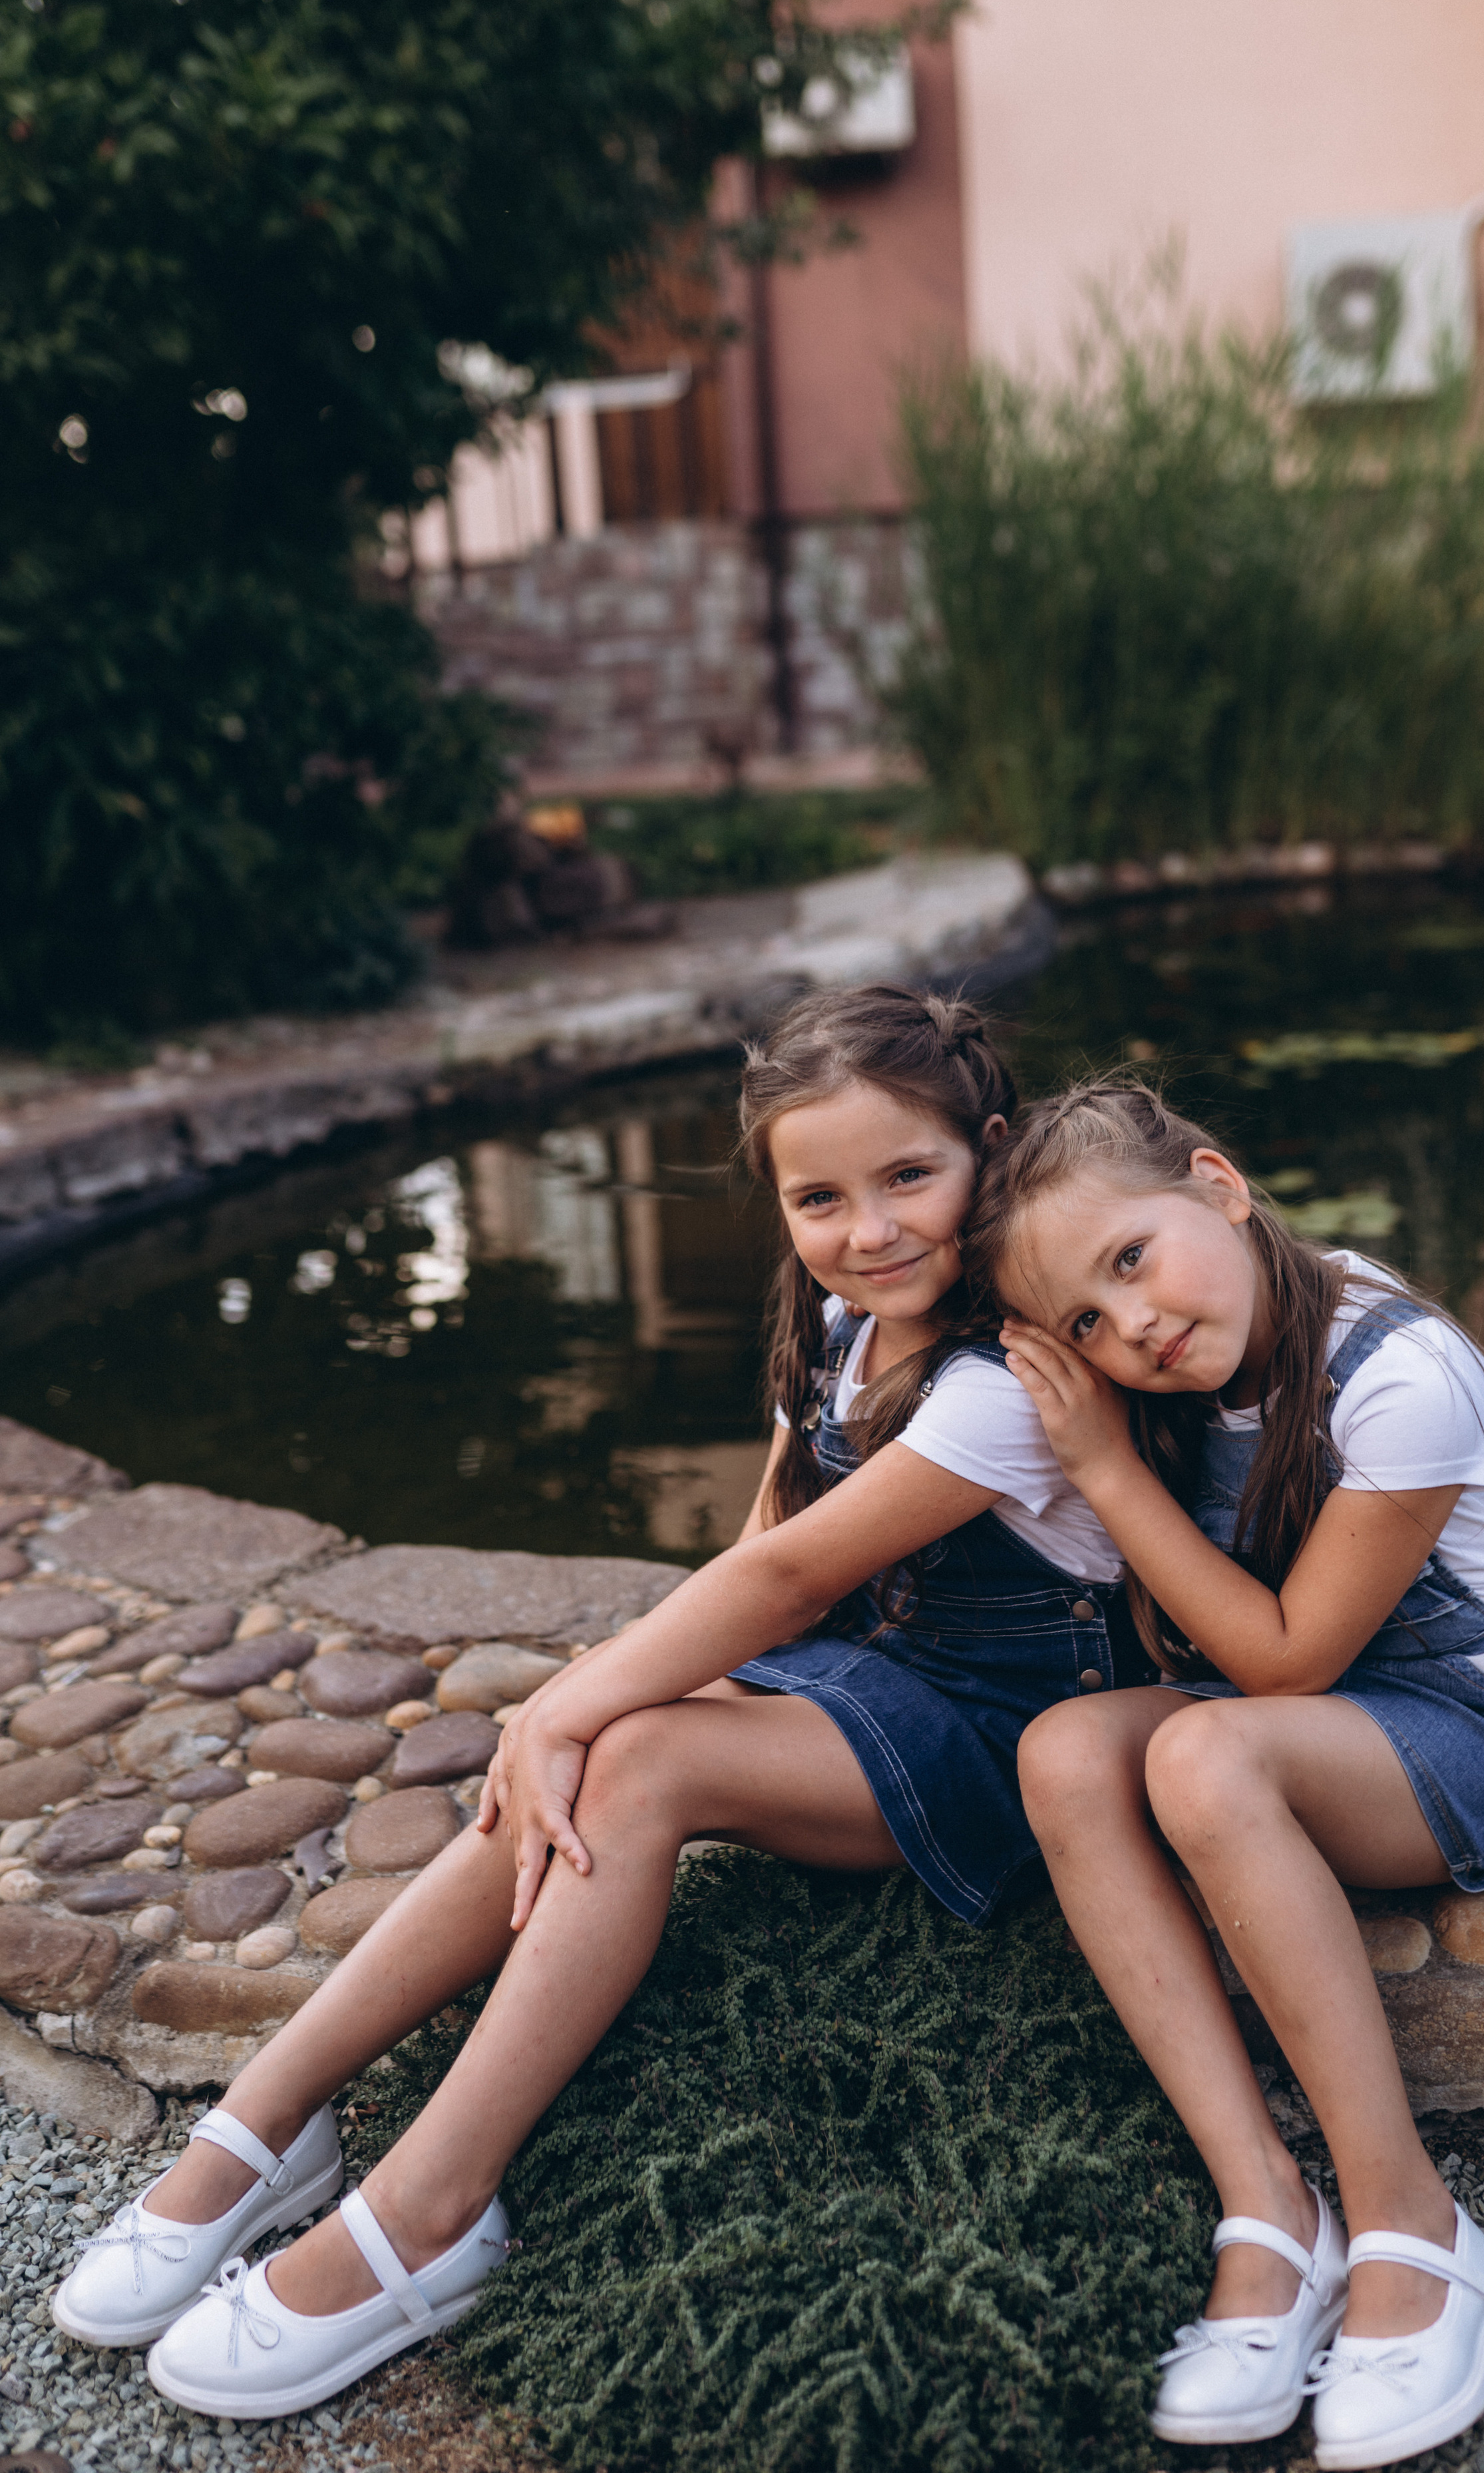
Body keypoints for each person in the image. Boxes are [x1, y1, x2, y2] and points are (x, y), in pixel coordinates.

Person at [54, 985, 1143, 2420]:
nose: (868, 1230)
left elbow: (796, 1578)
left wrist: (567, 1704)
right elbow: (767, 1547)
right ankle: (274, 2111)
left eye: (909, 1178)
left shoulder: (1004, 1378)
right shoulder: (838, 1320)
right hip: (878, 1689)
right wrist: (595, 1707)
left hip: (1005, 1740)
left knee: (620, 1759)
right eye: (820, 1197)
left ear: (988, 1156)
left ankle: (432, 2213)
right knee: (595, 1746)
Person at [961, 1076, 1484, 2472]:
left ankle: (1411, 2226)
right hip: (1294, 1714)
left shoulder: (1397, 1374)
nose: (1129, 1325)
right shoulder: (1198, 1368)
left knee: (1196, 1748)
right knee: (1064, 1752)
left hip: (1458, 1729)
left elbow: (1288, 1656)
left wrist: (1104, 1471)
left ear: (1217, 1185)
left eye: (1130, 1259)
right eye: (1082, 1323)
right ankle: (1268, 2209)